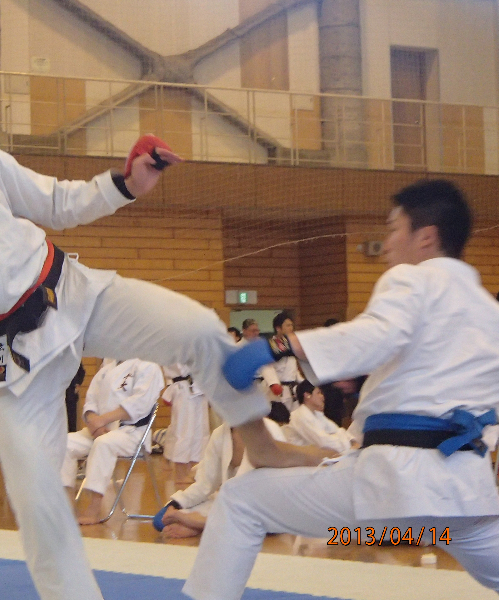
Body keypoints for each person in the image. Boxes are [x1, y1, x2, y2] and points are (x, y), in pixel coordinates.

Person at [0, 52, 320, 600]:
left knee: (198, 328)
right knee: (40, 508)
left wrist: (124, 185)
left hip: (71, 292)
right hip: (8, 357)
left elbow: (55, 201)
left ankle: (261, 446)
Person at [185, 179, 499, 599]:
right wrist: (370, 378)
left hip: (397, 482)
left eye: (394, 229)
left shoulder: (413, 279)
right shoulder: (488, 309)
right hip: (466, 490)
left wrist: (277, 346)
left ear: (426, 237)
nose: (387, 244)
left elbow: (375, 335)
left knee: (242, 499)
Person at [61, 358, 164, 524]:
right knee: (64, 444)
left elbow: (140, 404)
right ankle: (66, 505)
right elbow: (91, 402)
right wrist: (94, 421)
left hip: (131, 433)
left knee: (104, 443)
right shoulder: (106, 369)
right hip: (98, 430)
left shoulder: (148, 366)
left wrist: (102, 421)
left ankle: (94, 508)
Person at [156, 417, 287, 539]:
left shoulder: (268, 430)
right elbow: (205, 484)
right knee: (160, 521)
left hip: (266, 508)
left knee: (252, 520)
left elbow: (263, 495)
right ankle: (203, 523)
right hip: (232, 505)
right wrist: (177, 504)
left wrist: (193, 518)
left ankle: (200, 525)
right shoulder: (221, 433)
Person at [161, 364, 210, 484]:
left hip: (197, 386)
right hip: (184, 387)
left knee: (200, 431)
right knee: (184, 431)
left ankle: (195, 470)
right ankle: (180, 474)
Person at [282, 380, 356, 453]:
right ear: (307, 395)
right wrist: (346, 442)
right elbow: (324, 443)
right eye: (318, 393)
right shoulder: (299, 415)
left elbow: (337, 430)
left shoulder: (317, 414)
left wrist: (350, 440)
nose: (322, 397)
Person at [270, 311, 304, 411]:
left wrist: (303, 383)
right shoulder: (271, 345)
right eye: (288, 325)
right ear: (278, 328)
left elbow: (294, 369)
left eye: (292, 325)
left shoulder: (292, 344)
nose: (291, 328)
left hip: (293, 389)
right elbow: (268, 369)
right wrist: (274, 384)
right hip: (278, 389)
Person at [64, 362, 86, 433]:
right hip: (59, 392)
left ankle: (71, 435)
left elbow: (81, 372)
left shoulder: (74, 358)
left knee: (71, 419)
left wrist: (78, 383)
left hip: (71, 392)